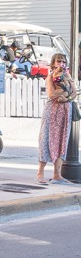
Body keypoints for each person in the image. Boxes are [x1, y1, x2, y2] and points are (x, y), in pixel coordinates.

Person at [38, 53, 74, 185]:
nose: (61, 63)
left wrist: (67, 97)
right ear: (53, 63)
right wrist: (64, 91)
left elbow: (74, 92)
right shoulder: (50, 76)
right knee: (46, 138)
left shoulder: (68, 76)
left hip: (65, 109)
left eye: (63, 61)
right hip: (52, 110)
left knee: (62, 140)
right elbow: (51, 94)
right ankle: (40, 173)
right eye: (58, 61)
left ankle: (57, 174)